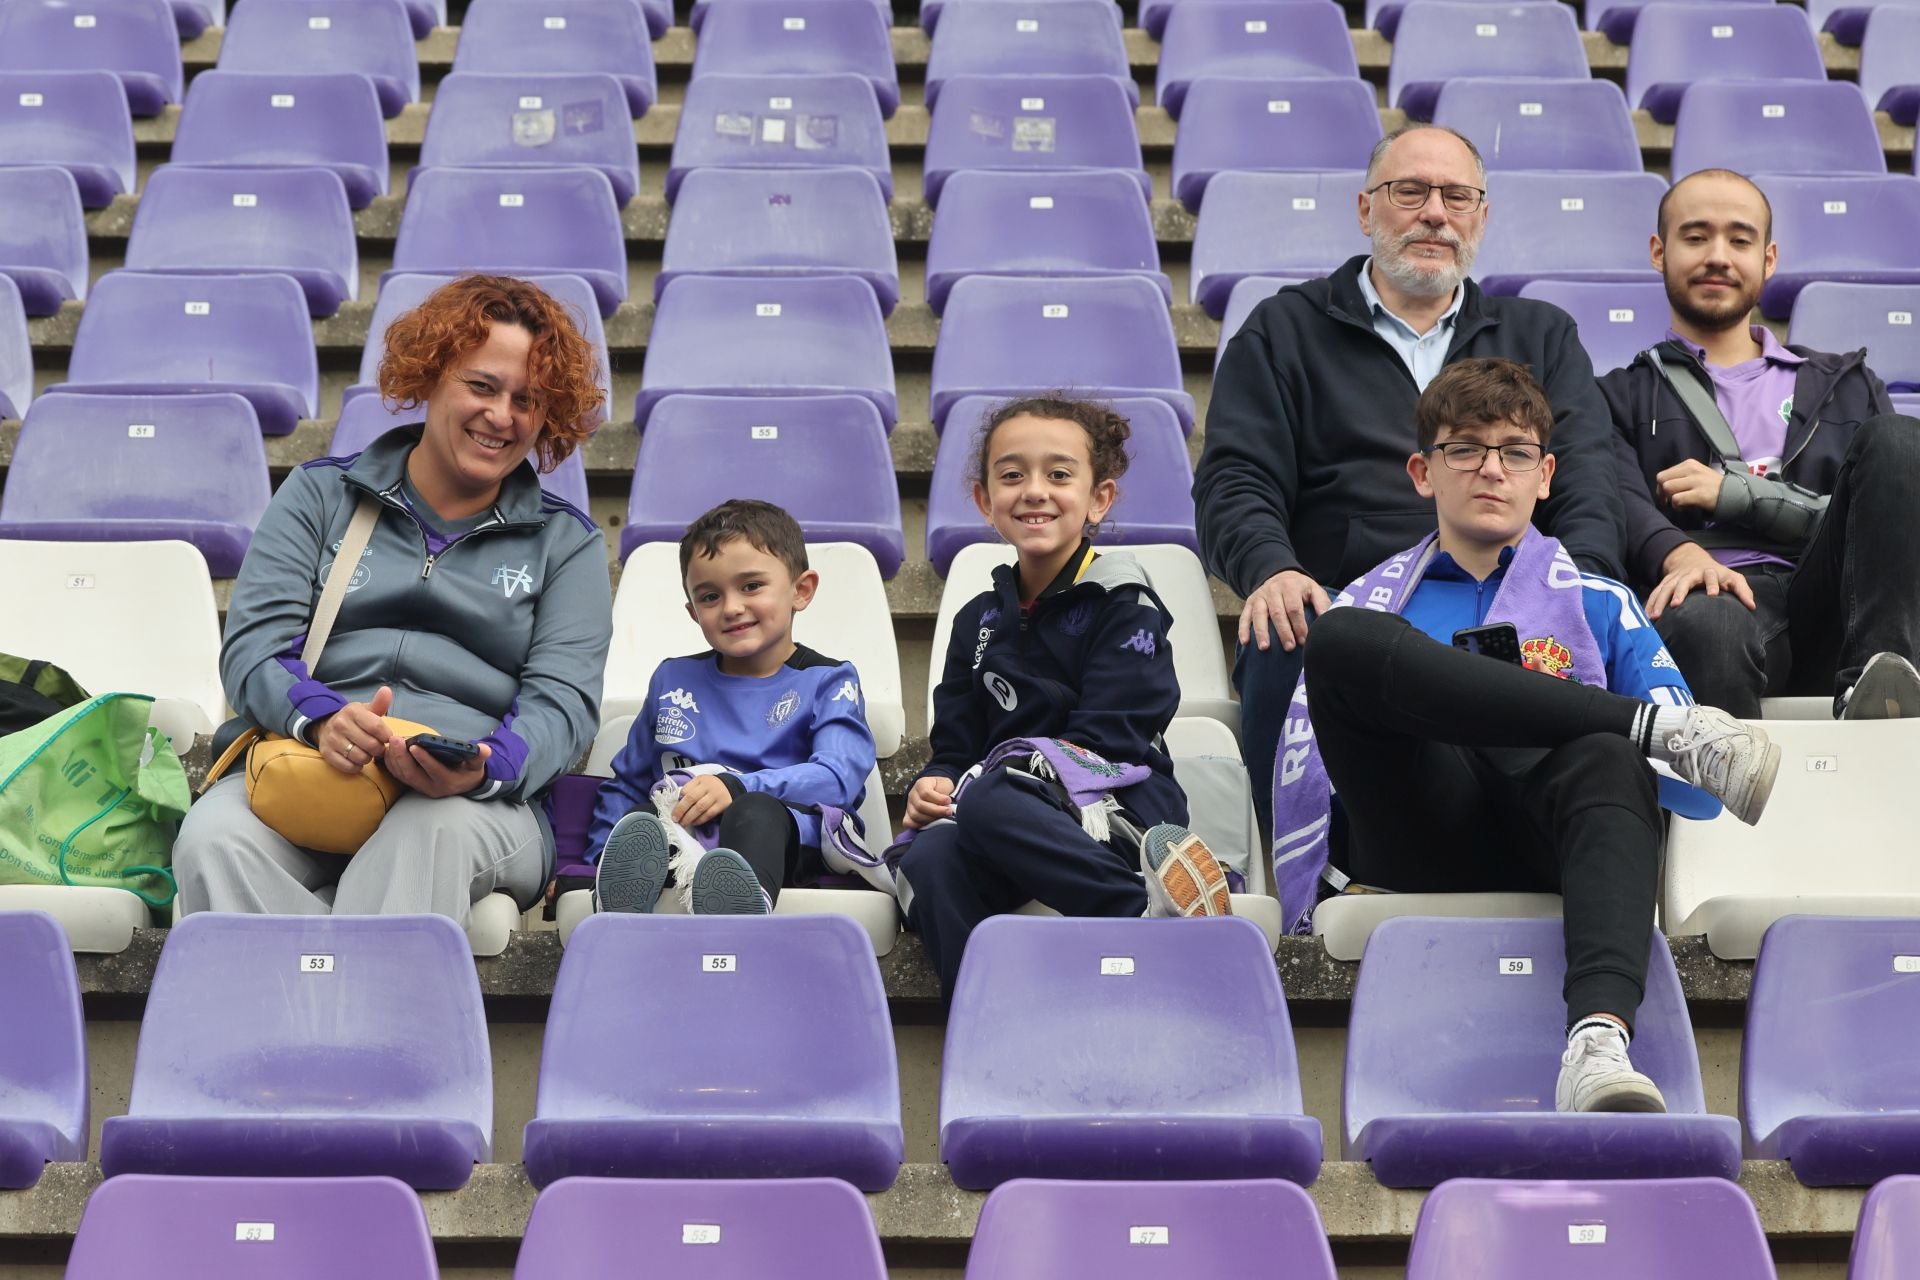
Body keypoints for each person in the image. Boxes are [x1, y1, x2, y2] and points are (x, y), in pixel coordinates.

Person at [1285, 358, 1778, 1112]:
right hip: (1417, 837)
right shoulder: (1373, 603)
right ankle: (1642, 724)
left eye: (1515, 452)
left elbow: (1694, 794)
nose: (1492, 469)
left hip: (1559, 841)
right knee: (1342, 638)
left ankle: (1599, 1045)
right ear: (1423, 472)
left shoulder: (1603, 604)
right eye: (1464, 449)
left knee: (1609, 754)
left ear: (1545, 476)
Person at [1196, 122, 1626, 829]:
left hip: (1506, 593)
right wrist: (1272, 569)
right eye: (1410, 192)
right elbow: (1235, 478)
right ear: (1366, 209)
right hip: (1345, 603)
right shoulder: (1282, 331)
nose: (1435, 213)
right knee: (1281, 629)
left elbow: (1586, 479)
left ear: (1481, 216)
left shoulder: (1541, 335)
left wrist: (1579, 584)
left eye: (1457, 197)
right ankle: (1298, 869)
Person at [172, 274, 612, 923]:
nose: (502, 416)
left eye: (527, 399)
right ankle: (319, 986)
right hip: (310, 765)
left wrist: (483, 766)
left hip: (472, 805)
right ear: (431, 376)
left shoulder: (566, 543)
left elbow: (564, 706)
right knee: (214, 839)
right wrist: (323, 719)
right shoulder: (320, 495)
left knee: (424, 838)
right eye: (482, 386)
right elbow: (253, 651)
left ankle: (343, 989)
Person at [897, 395, 1233, 999]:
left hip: (1119, 809)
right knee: (931, 857)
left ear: (1098, 498)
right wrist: (936, 782)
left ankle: (1141, 911)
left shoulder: (1123, 601)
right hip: (1007, 822)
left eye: (1058, 474)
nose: (1034, 491)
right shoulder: (976, 619)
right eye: (1011, 476)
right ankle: (987, 1018)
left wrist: (994, 782)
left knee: (990, 798)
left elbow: (1112, 739)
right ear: (984, 501)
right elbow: (955, 743)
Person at [1601, 167, 1920, 719]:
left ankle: (1882, 685)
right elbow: (1614, 503)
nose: (1718, 256)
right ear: (1659, 252)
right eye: (1695, 237)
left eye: (1740, 240)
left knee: (1899, 439)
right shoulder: (1616, 396)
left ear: (1768, 259)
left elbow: (1882, 524)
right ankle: (1722, 777)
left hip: (1836, 603)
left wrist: (1736, 496)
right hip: (1707, 602)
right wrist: (1679, 554)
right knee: (1710, 618)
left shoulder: (1847, 384)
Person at [586, 499, 878, 915]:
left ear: (801, 590)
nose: (732, 608)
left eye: (752, 586)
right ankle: (619, 902)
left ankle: (739, 911)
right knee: (644, 818)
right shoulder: (672, 680)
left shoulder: (829, 680)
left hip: (791, 837)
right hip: (687, 832)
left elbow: (836, 778)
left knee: (754, 813)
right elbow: (628, 784)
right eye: (710, 596)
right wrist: (595, 858)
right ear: (693, 612)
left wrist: (737, 787)